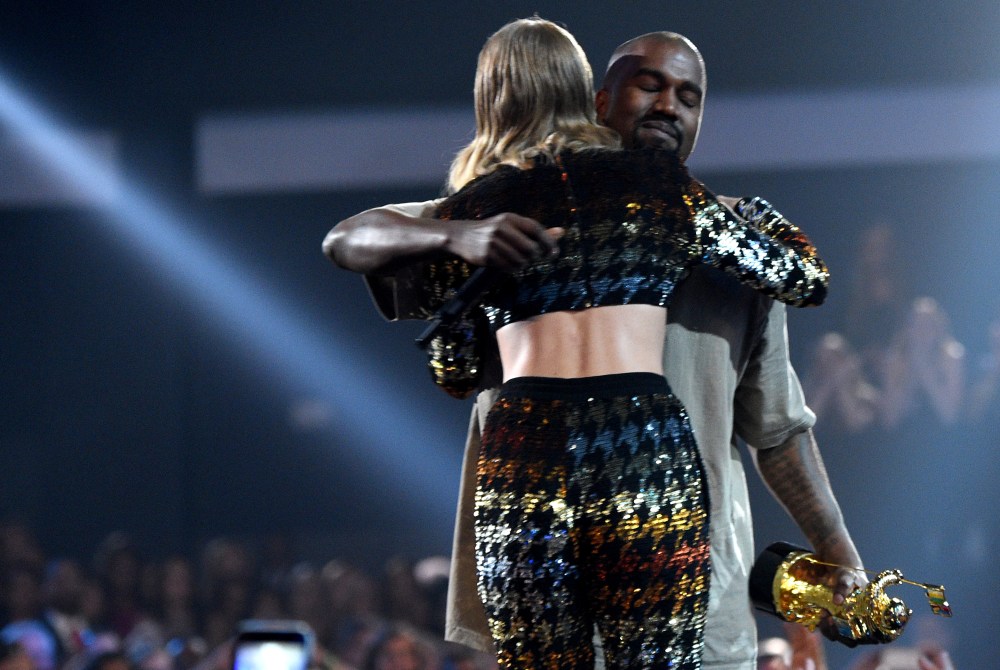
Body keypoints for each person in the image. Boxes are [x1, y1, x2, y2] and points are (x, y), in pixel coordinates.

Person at [325, 26, 864, 670]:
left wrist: (836, 546)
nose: (669, 106)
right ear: (597, 103)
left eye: (689, 97)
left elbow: (779, 429)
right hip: (632, 486)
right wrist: (463, 238)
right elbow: (808, 275)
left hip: (610, 528)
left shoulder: (497, 204)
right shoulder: (500, 211)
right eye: (650, 86)